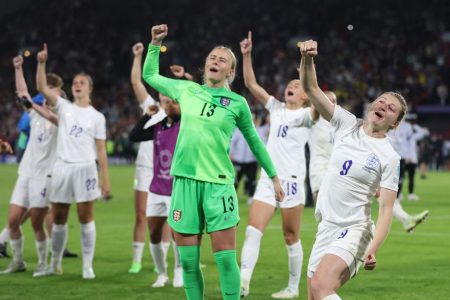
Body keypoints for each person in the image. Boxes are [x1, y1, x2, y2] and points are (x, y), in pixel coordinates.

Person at [143, 24, 284, 300]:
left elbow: (255, 142)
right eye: (212, 58)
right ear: (205, 66)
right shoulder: (186, 90)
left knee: (224, 259)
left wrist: (274, 176)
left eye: (222, 60)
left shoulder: (237, 103)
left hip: (218, 185)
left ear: (231, 71)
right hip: (184, 182)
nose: (215, 61)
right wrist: (155, 44)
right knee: (188, 262)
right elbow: (149, 74)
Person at [299, 40, 407, 300]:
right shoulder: (347, 124)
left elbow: (386, 209)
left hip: (355, 229)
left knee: (321, 287)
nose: (383, 106)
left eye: (391, 108)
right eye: (381, 101)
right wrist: (308, 58)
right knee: (315, 295)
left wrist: (373, 247)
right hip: (326, 225)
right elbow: (311, 89)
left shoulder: (389, 157)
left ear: (395, 124)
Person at [238, 31, 313, 299]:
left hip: (292, 181)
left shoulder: (308, 114)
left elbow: (321, 99)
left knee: (291, 236)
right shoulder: (276, 108)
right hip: (269, 179)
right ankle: (243, 281)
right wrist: (246, 55)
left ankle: (293, 288)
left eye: (298, 85)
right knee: (252, 229)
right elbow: (250, 83)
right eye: (290, 83)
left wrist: (306, 71)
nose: (291, 86)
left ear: (306, 95)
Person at [36, 43, 110, 279]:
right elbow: (40, 88)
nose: (77, 85)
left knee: (85, 216)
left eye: (82, 83)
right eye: (75, 82)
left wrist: (105, 181)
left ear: (90, 88)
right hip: (62, 168)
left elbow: (101, 151)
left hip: (86, 169)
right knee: (58, 217)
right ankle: (54, 264)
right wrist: (41, 63)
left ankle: (87, 266)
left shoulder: (97, 117)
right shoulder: (64, 107)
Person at [0, 55, 60, 276]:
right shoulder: (35, 115)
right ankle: (17, 262)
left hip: (45, 176)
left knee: (36, 222)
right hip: (26, 172)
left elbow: (50, 115)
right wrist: (18, 68)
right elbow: (22, 93)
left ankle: (44, 263)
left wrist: (34, 104)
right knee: (13, 220)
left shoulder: (60, 120)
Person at [129, 94, 183, 288]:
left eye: (174, 102)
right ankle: (161, 274)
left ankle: (178, 270)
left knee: (177, 232)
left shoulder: (185, 126)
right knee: (153, 232)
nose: (170, 105)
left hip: (177, 192)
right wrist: (146, 116)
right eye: (167, 102)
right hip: (156, 190)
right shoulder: (158, 127)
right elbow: (133, 136)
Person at [128, 42, 167, 274]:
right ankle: (136, 260)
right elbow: (135, 82)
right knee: (141, 214)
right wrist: (138, 56)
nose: (163, 93)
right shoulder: (151, 107)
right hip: (145, 168)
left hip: (166, 170)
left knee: (164, 217)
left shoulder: (178, 112)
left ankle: (159, 259)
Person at [308, 91, 337, 203]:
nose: (331, 103)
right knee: (324, 209)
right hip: (319, 170)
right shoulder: (314, 120)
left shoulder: (339, 125)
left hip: (336, 172)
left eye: (334, 101)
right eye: (327, 100)